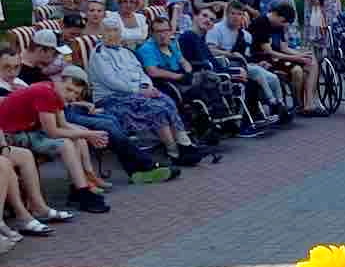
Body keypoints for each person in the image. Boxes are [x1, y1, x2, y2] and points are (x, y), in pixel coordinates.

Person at [88, 16, 205, 165]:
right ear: (102, 33)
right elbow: (112, 82)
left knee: (165, 100)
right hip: (110, 98)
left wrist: (147, 86)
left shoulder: (126, 52)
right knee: (155, 107)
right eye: (108, 31)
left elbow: (141, 73)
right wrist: (139, 91)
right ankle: (173, 151)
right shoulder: (99, 54)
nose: (112, 34)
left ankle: (185, 144)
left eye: (115, 30)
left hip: (135, 93)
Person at [0, 70, 108, 212]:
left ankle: (78, 189)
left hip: (27, 131)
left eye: (76, 93)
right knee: (66, 144)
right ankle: (82, 193)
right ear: (59, 81)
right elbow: (53, 131)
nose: (71, 95)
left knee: (76, 139)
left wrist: (87, 134)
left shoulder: (53, 90)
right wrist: (89, 134)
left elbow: (63, 125)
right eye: (69, 89)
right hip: (10, 135)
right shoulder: (45, 93)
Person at [208, 4, 291, 122]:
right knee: (257, 72)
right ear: (227, 14)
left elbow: (247, 56)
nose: (236, 17)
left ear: (243, 16)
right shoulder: (216, 29)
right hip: (225, 65)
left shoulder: (245, 35)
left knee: (273, 78)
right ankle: (272, 102)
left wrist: (258, 62)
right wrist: (230, 55)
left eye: (239, 14)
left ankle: (281, 107)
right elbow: (210, 50)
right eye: (233, 13)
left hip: (244, 65)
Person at [177, 11, 255, 137]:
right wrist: (230, 73)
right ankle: (239, 124)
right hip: (199, 76)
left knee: (250, 81)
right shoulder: (187, 37)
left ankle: (243, 122)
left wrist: (231, 71)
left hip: (211, 72)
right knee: (246, 84)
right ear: (195, 17)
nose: (208, 20)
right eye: (204, 15)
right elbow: (194, 62)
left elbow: (213, 62)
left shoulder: (201, 39)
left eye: (212, 19)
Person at [254, 1, 323, 114]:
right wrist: (297, 58)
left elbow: (284, 47)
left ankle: (308, 104)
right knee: (297, 71)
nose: (284, 25)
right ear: (276, 15)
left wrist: (301, 55)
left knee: (311, 60)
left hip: (279, 57)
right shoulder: (261, 23)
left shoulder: (278, 24)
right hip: (265, 59)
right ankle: (298, 104)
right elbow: (270, 52)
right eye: (283, 22)